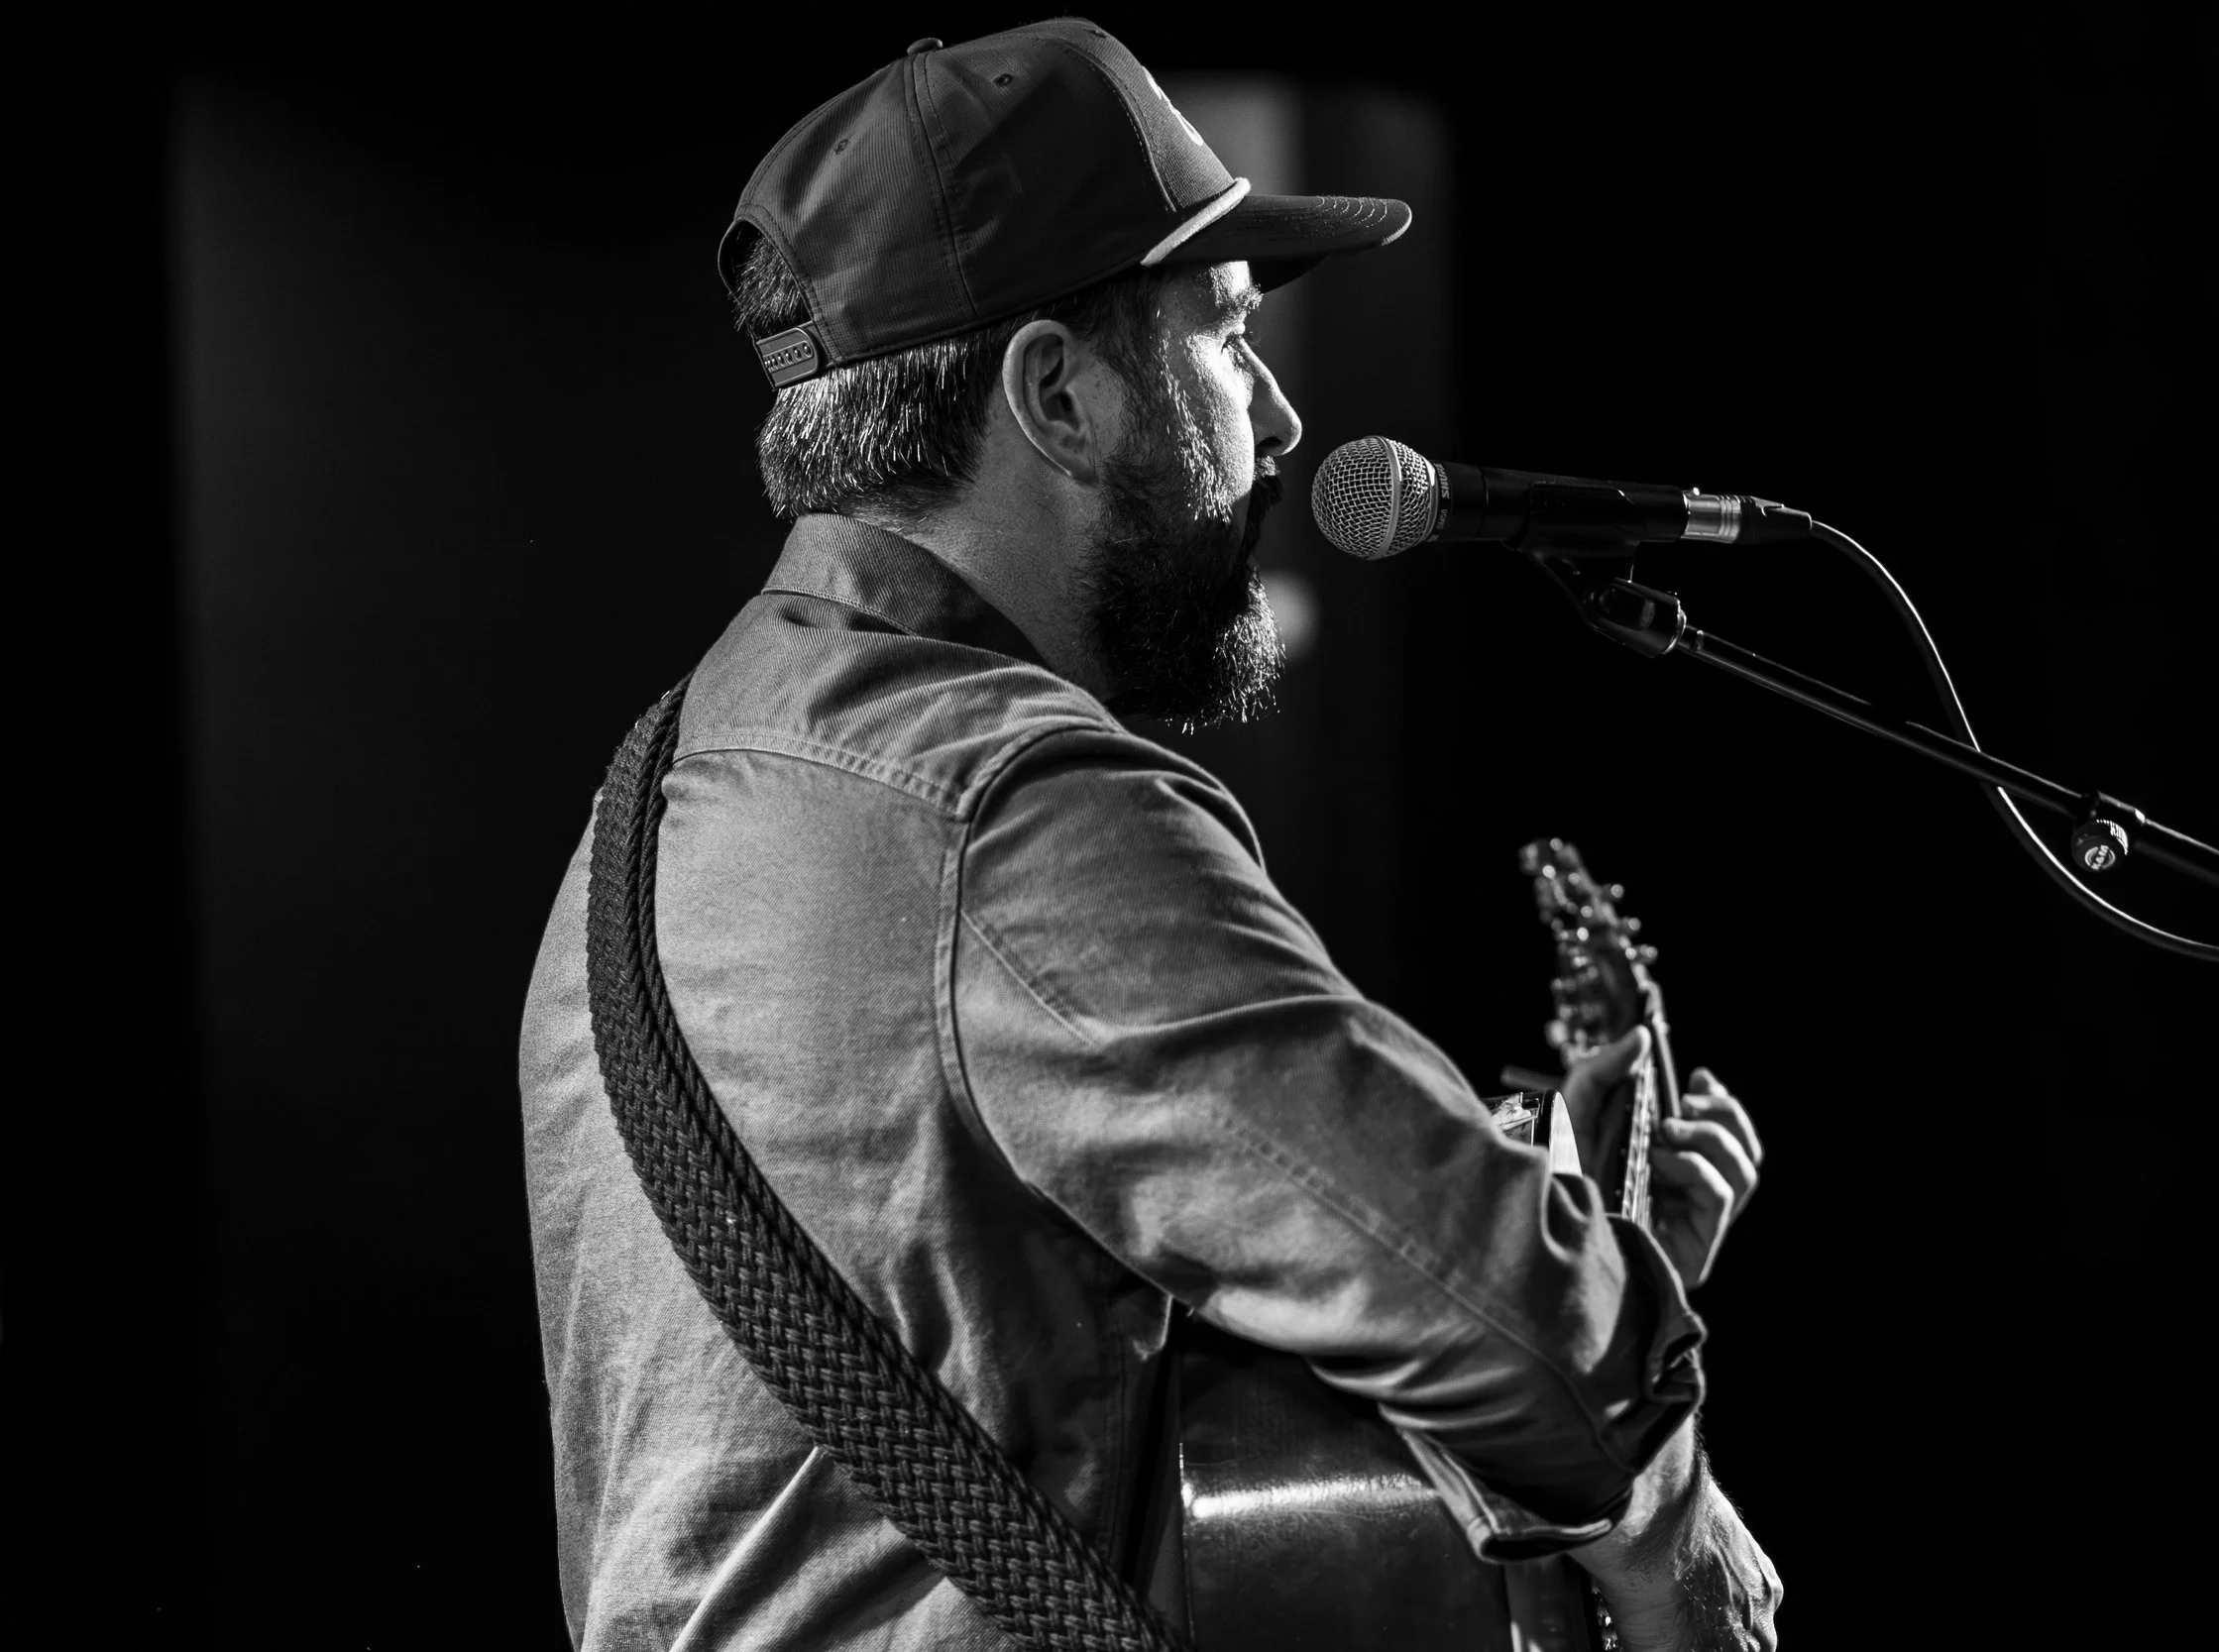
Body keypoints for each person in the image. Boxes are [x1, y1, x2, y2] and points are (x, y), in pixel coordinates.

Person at [518, 20, 1781, 1650]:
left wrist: (1600, 1260)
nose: (1276, 423)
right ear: (1054, 390)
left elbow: (1063, 1368)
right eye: (1230, 338)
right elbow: (1497, 1303)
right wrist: (1680, 1532)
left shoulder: (648, 809)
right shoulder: (1008, 806)